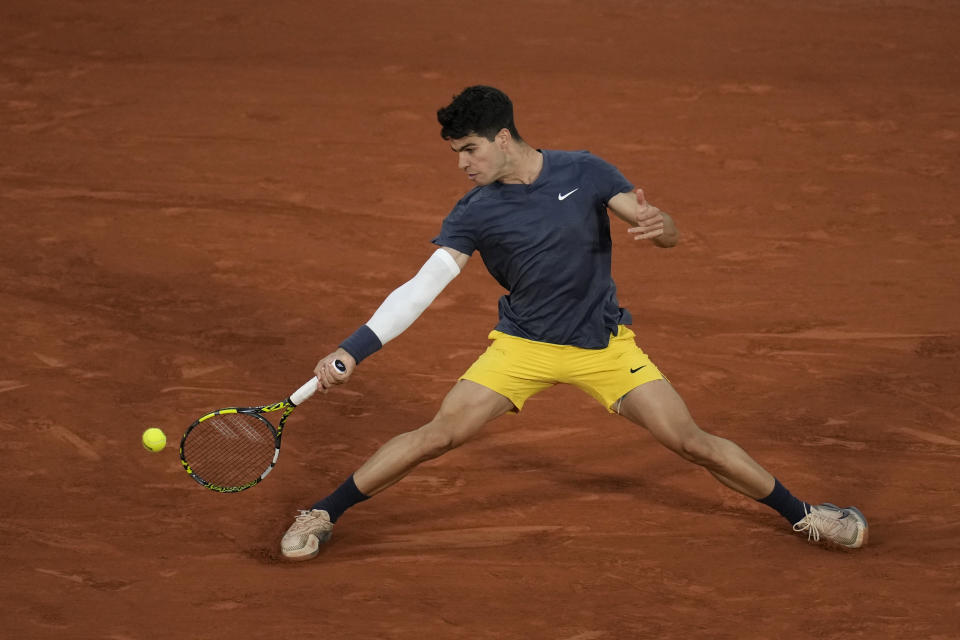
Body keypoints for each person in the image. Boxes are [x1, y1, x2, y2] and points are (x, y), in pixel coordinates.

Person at [280, 85, 868, 560]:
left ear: (503, 138)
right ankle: (323, 512)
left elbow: (660, 228)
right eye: (455, 153)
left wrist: (660, 227)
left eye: (469, 150)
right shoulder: (475, 211)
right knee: (437, 436)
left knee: (693, 442)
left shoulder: (584, 171)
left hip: (603, 346)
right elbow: (422, 286)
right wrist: (354, 349)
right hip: (522, 348)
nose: (461, 164)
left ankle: (807, 515)